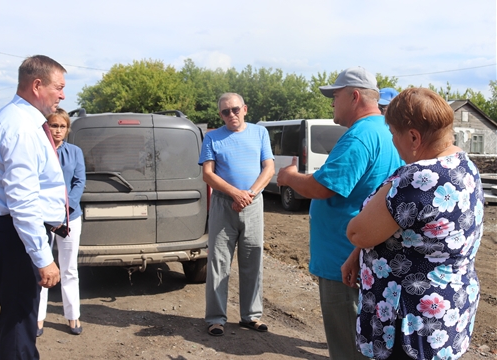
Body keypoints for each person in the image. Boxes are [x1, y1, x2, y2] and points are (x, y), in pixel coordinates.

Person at [345, 88, 483, 360]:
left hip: (410, 321)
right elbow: (412, 232)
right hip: (447, 310)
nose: (393, 142)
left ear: (413, 137)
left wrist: (396, 181)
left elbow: (358, 232)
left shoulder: (418, 177)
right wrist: (358, 256)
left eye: (394, 134)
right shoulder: (464, 164)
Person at [277, 67, 403, 359]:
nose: (332, 103)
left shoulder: (359, 136)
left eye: (335, 96)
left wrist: (289, 177)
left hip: (344, 261)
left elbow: (324, 187)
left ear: (354, 96)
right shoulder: (386, 131)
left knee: (348, 341)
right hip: (366, 255)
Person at [0, 55, 67, 359]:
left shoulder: (20, 119)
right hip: (15, 233)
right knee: (19, 322)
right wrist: (43, 258)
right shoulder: (22, 128)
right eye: (59, 87)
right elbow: (22, 199)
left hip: (10, 231)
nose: (62, 95)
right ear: (37, 85)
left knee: (21, 320)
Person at [198, 92, 275, 336]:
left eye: (235, 109)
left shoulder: (260, 133)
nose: (231, 114)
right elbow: (208, 174)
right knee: (219, 262)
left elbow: (269, 167)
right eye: (225, 111)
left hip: (253, 203)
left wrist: (249, 193)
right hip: (224, 204)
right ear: (220, 114)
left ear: (245, 109)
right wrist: (235, 193)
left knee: (253, 259)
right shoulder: (212, 137)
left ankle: (251, 316)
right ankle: (216, 318)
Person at [37, 108, 86, 337]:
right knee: (42, 267)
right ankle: (37, 318)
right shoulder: (38, 150)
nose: (58, 130)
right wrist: (47, 212)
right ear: (46, 126)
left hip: (69, 218)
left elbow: (79, 181)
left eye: (62, 126)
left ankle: (73, 315)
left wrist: (65, 209)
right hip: (42, 219)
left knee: (69, 268)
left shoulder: (75, 152)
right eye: (53, 125)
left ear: (68, 129)